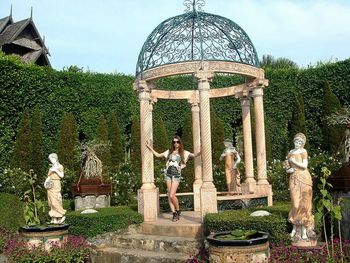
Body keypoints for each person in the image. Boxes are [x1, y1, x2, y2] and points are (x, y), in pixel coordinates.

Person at [146, 135, 200, 222]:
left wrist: (202, 149)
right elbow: (158, 155)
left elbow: (195, 155)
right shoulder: (169, 152)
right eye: (174, 142)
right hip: (168, 174)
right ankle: (174, 214)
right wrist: (149, 147)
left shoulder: (184, 153)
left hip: (176, 175)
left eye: (177, 142)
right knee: (169, 195)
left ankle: (178, 210)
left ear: (180, 143)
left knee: (172, 195)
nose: (176, 143)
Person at [284, 133, 315, 240]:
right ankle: (295, 226)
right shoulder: (290, 152)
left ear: (302, 143)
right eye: (296, 141)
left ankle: (304, 229)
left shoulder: (303, 151)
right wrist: (289, 169)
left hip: (304, 178)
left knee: (304, 203)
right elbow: (287, 166)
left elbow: (304, 166)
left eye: (300, 142)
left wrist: (294, 162)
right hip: (294, 179)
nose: (297, 144)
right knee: (295, 203)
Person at [44, 153, 66, 224]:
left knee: (55, 200)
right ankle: (54, 218)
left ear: (55, 158)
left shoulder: (60, 166)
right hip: (50, 185)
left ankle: (62, 214)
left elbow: (62, 175)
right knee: (50, 202)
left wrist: (56, 170)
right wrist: (45, 182)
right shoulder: (51, 168)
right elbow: (49, 177)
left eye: (52, 159)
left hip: (56, 184)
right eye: (50, 160)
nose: (51, 161)